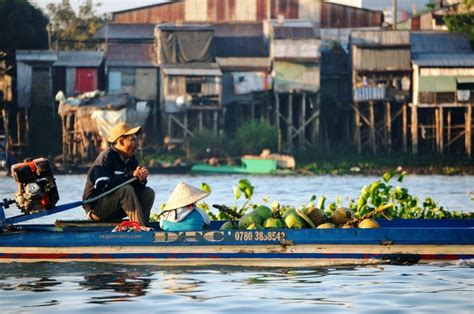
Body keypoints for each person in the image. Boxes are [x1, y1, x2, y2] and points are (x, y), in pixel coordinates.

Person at [82, 122, 155, 227]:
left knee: (148, 192)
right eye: (133, 140)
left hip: (117, 208)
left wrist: (141, 179)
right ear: (121, 141)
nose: (137, 143)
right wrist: (130, 175)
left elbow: (136, 187)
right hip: (96, 209)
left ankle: (144, 226)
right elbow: (103, 187)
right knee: (126, 190)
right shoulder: (106, 157)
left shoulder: (132, 159)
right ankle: (140, 229)